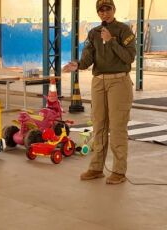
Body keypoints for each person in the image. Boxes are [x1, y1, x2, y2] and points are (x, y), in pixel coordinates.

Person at [63, 0, 135, 185]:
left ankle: (119, 171)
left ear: (113, 10)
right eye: (101, 10)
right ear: (98, 13)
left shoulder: (123, 30)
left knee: (117, 127)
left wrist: (111, 41)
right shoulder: (93, 33)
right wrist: (77, 64)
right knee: (99, 125)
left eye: (107, 9)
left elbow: (129, 57)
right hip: (99, 82)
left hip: (119, 81)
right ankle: (96, 168)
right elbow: (87, 60)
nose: (104, 13)